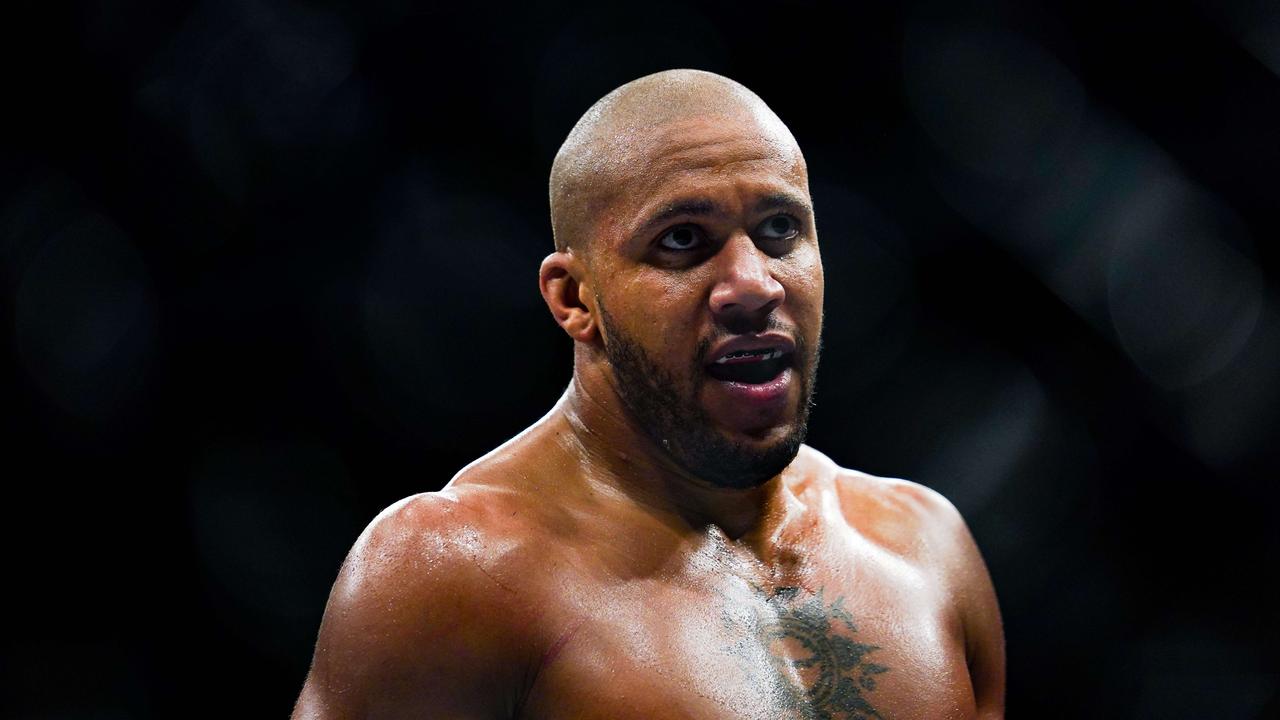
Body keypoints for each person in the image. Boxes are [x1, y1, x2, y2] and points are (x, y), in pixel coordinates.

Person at [292, 69, 1005, 719]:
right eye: (684, 240)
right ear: (575, 298)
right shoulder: (455, 575)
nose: (754, 284)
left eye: (780, 229)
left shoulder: (923, 547)